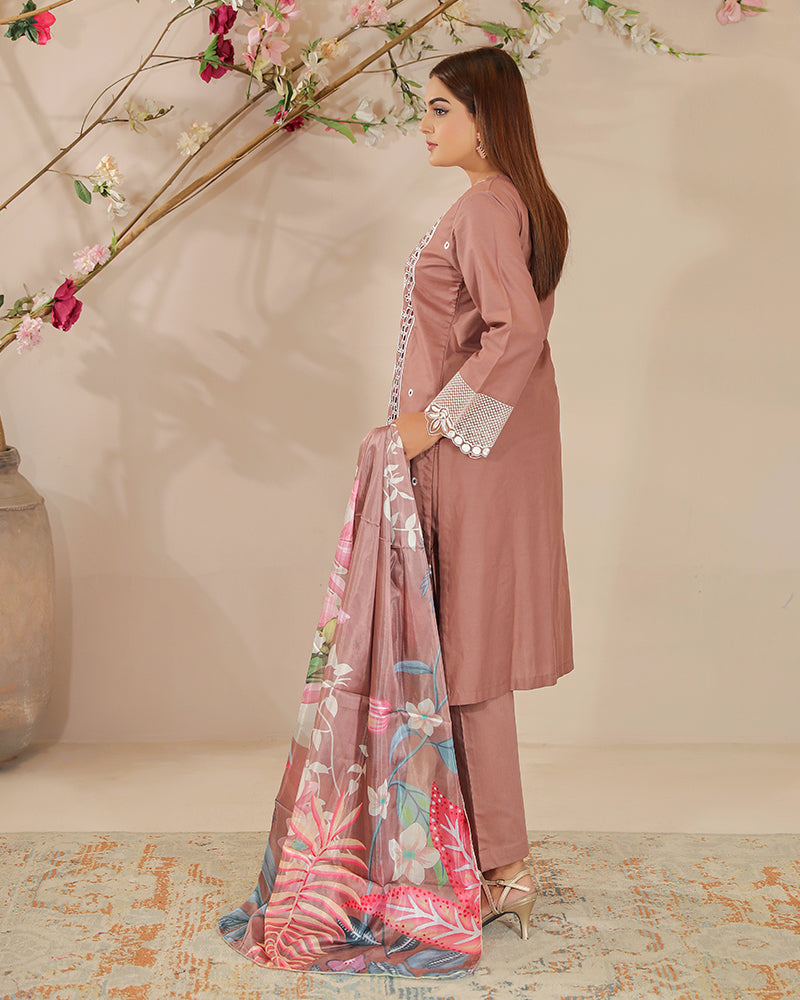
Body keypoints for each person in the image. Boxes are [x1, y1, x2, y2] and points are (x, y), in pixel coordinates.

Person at [389, 45, 575, 938]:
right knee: (466, 649)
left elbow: (517, 332)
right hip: (486, 448)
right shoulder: (509, 203)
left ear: (485, 118)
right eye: (424, 108)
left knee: (466, 654)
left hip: (471, 451)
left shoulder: (482, 208)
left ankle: (502, 865)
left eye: (440, 109)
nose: (423, 124)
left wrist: (430, 425)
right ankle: (480, 852)